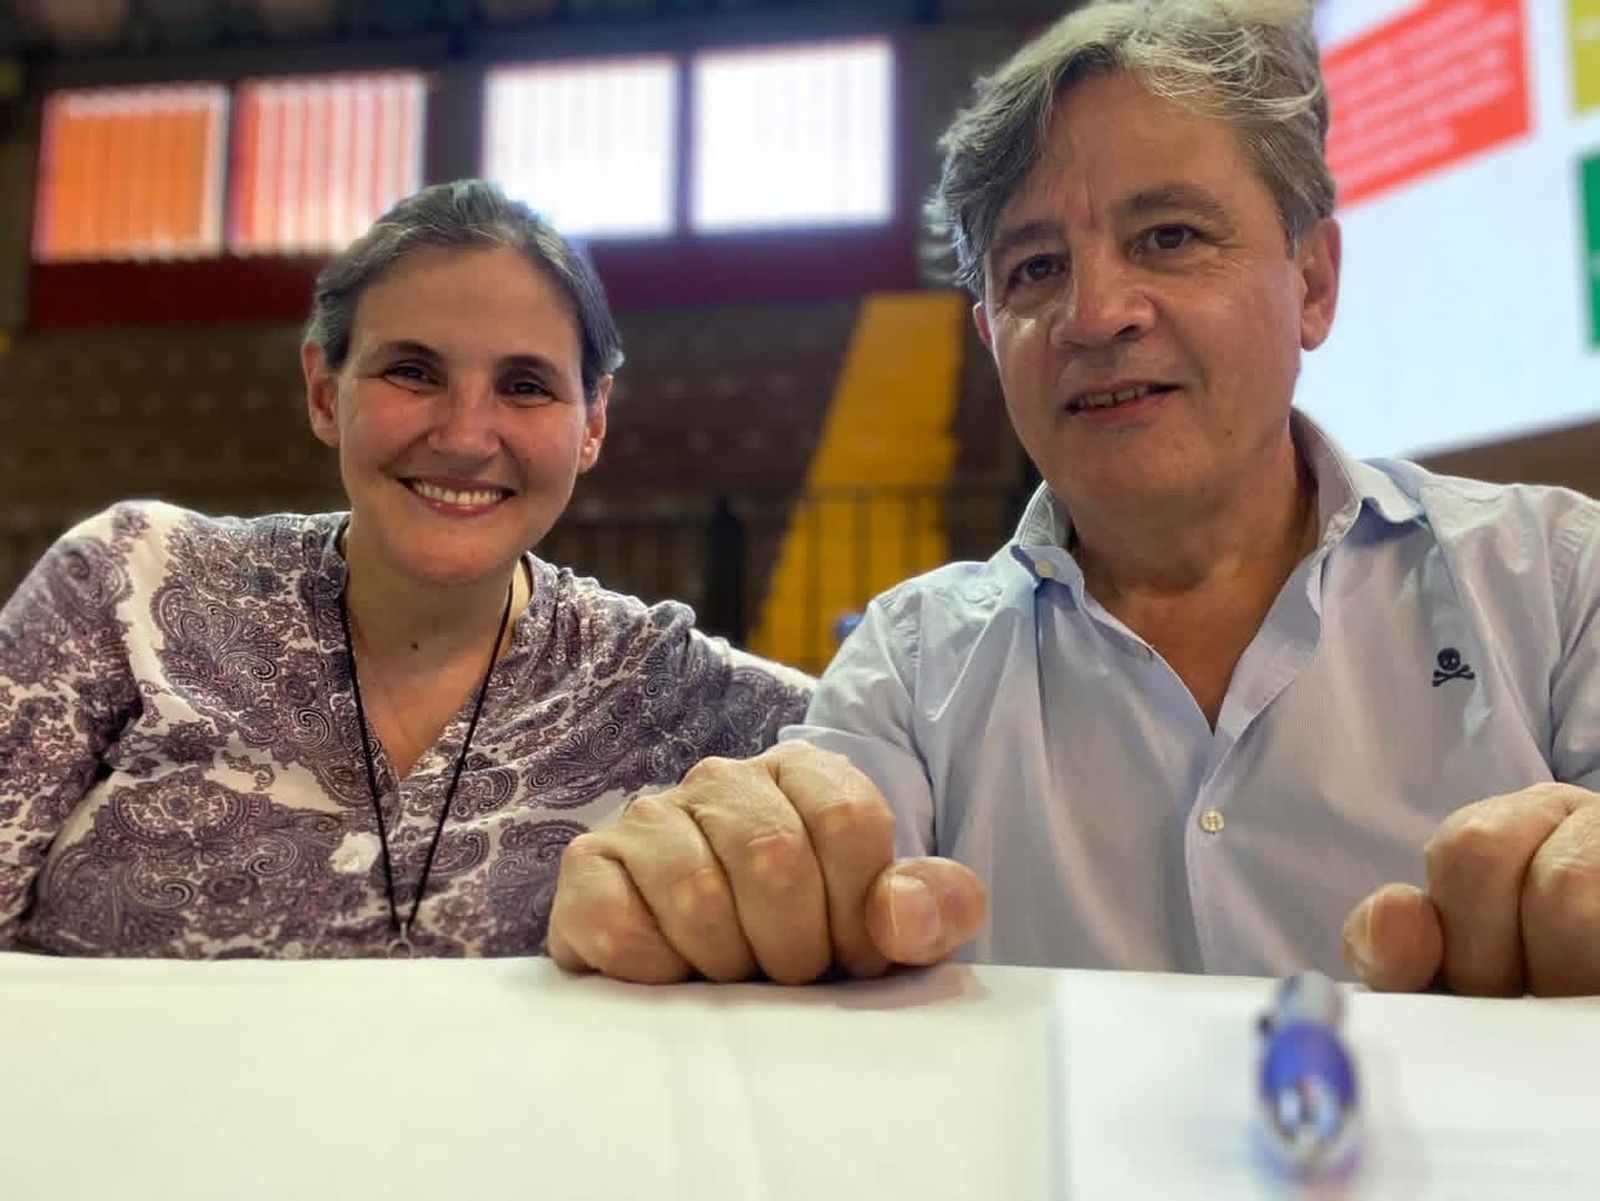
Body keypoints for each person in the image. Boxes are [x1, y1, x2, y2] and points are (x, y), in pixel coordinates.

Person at [547, 0, 1600, 996]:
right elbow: (800, 910)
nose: (1093, 314)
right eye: (1035, 268)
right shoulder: (911, 666)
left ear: (1313, 281)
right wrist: (707, 895)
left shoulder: (1555, 582)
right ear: (989, 342)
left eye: (1170, 237)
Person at [0, 179, 812, 958]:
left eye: (525, 386)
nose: (465, 436)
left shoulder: (671, 693)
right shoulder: (127, 586)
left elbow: (891, 766)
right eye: (412, 372)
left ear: (592, 422)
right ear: (325, 392)